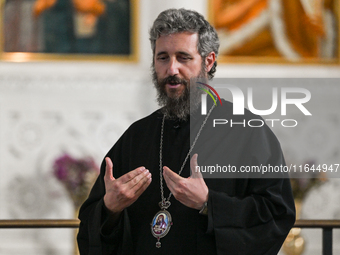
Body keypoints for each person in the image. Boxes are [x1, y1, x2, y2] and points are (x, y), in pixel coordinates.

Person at [77, 8, 295, 255]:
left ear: (208, 61)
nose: (171, 69)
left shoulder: (248, 132)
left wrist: (208, 203)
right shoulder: (137, 136)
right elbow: (90, 228)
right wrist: (110, 209)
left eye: (183, 57)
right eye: (162, 58)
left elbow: (277, 215)